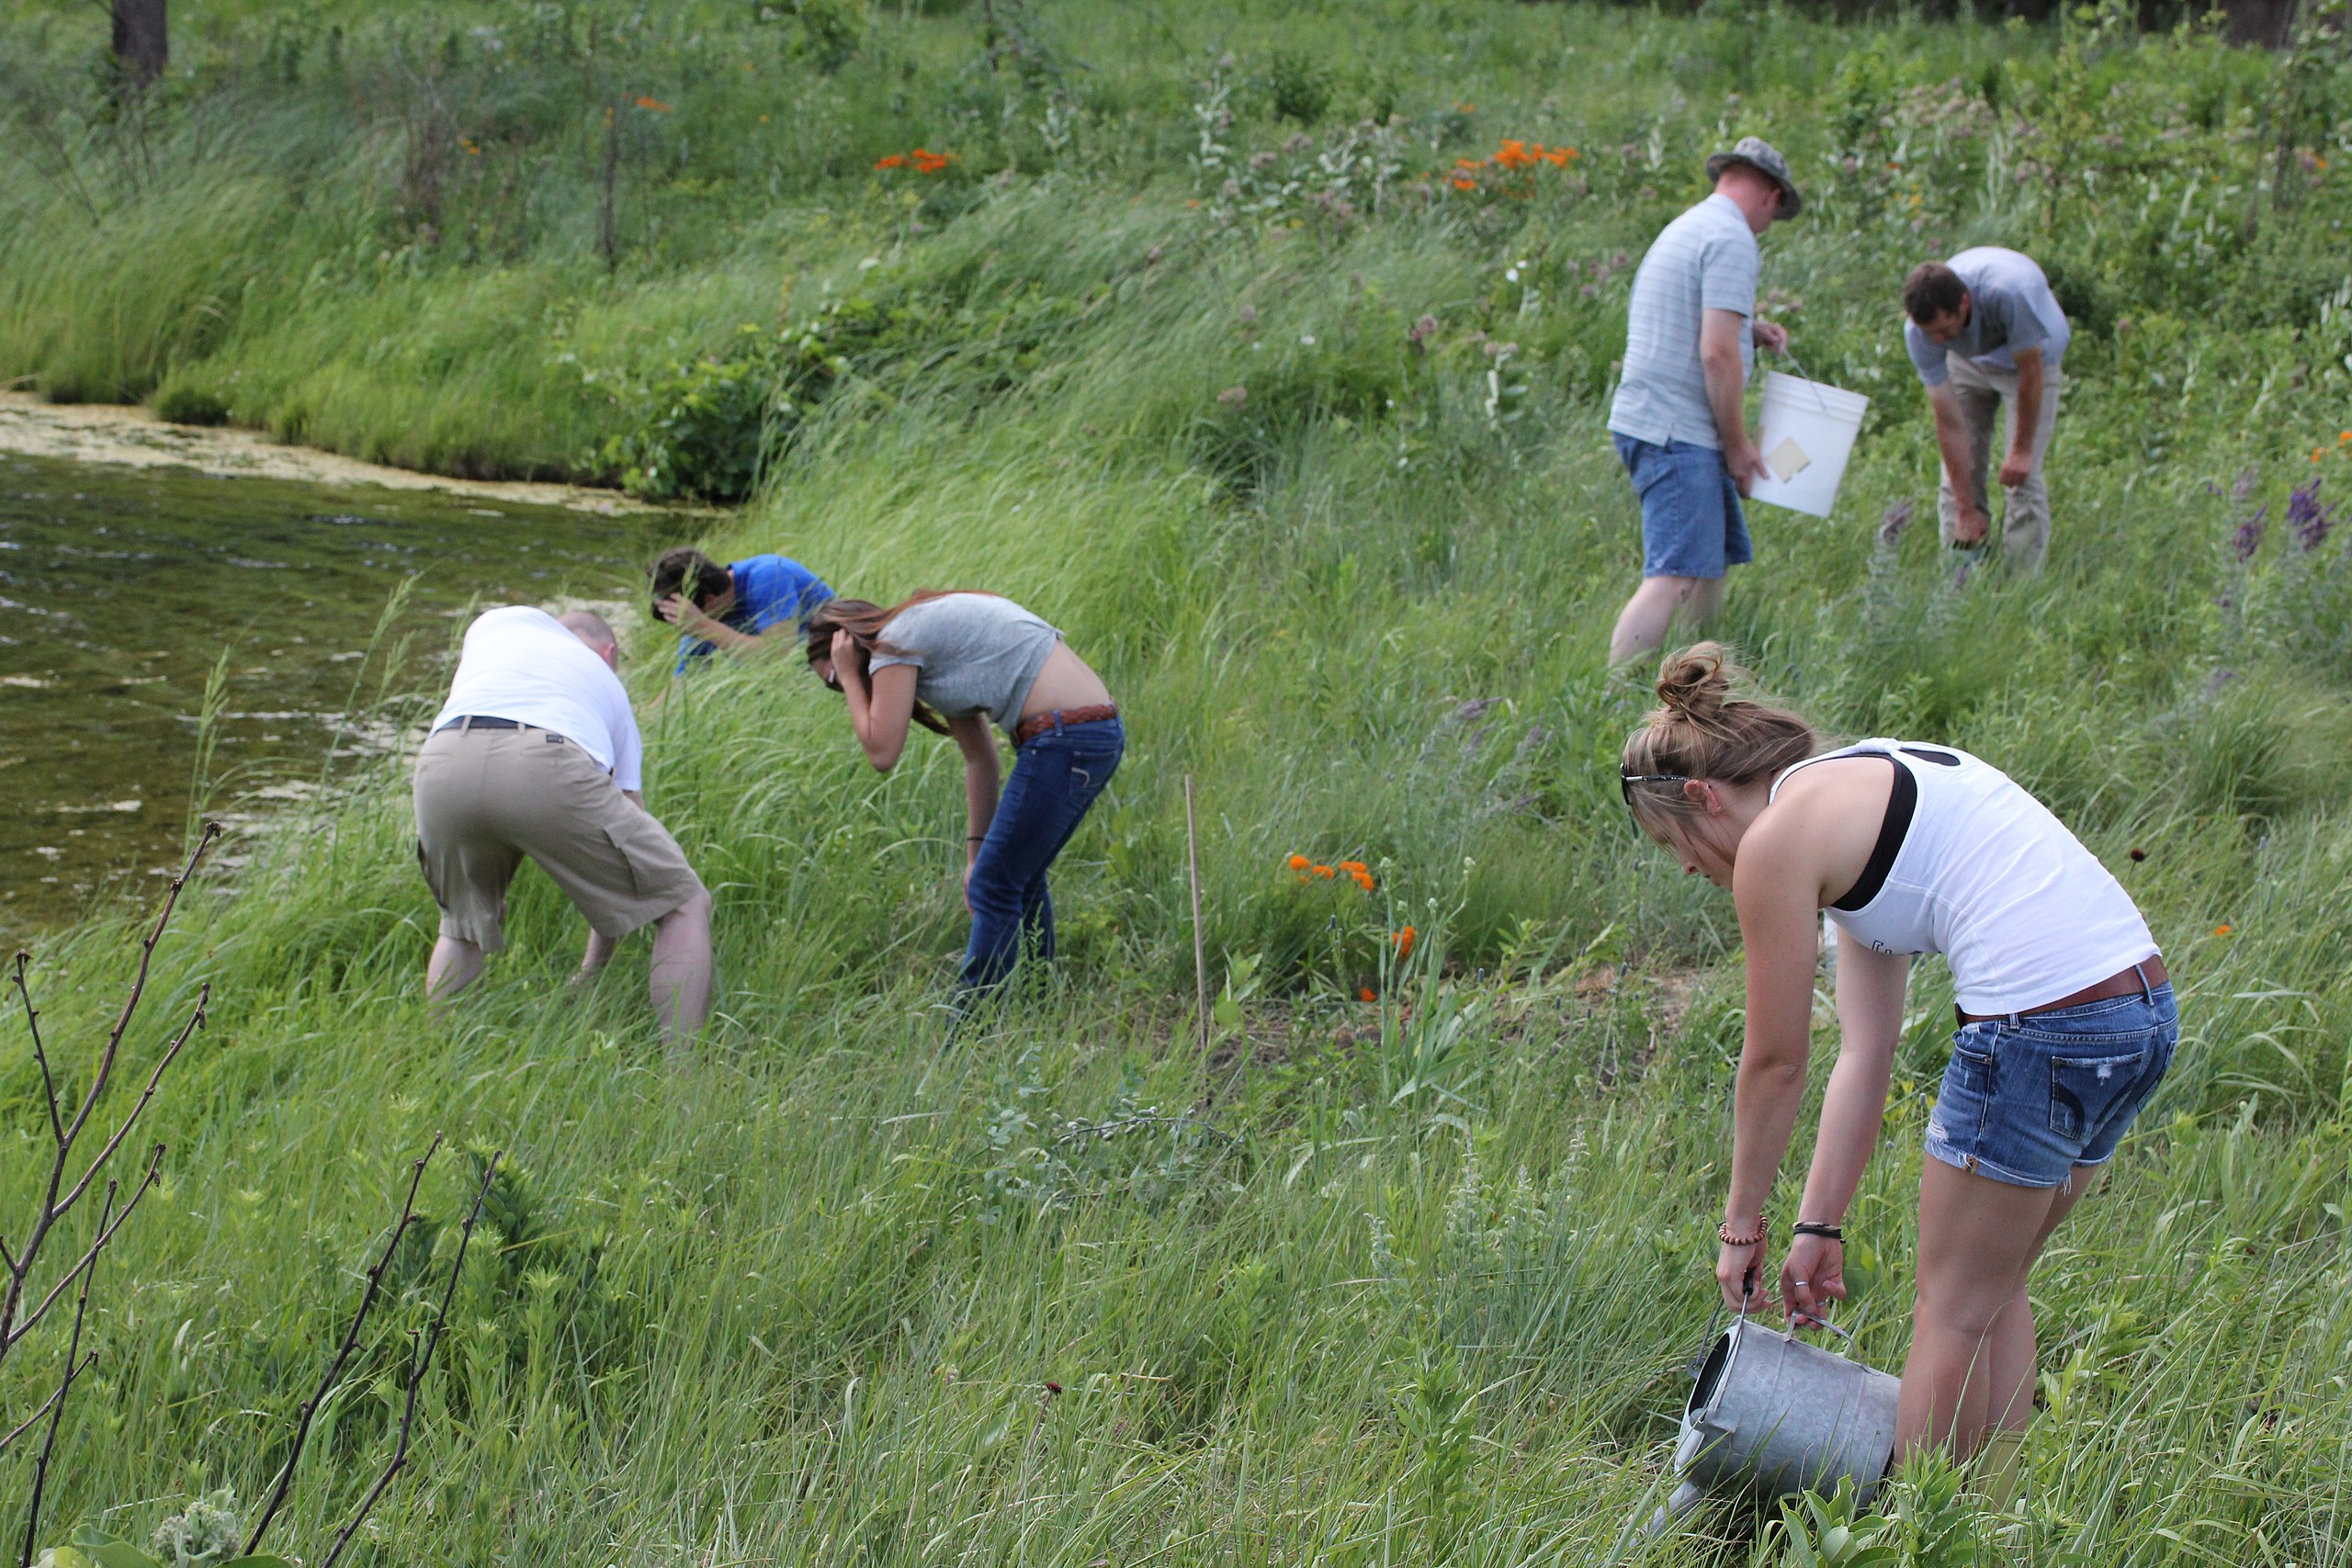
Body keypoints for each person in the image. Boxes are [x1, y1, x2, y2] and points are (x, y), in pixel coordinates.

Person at [1620, 644, 2174, 1489]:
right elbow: (1863, 1049)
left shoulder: (1775, 842)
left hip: (2041, 1021)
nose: (1691, 867)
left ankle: (1916, 1535)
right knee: (1991, 1290)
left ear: (1700, 796)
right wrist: (1817, 1225)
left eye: (1676, 844)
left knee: (1950, 1312)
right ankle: (1982, 1522)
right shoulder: (1847, 791)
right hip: (2138, 1014)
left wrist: (1739, 1227)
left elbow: (1775, 1062)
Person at [413, 606, 714, 1043]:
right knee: (683, 902)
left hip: (440, 760)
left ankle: (437, 1060)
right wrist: (594, 968)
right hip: (545, 758)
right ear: (609, 652)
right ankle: (685, 1078)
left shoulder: (495, 627)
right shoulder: (607, 684)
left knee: (462, 926)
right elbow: (627, 846)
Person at [804, 592, 1123, 995]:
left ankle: (970, 1029)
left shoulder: (895, 641)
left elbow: (882, 752)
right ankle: (1037, 1001)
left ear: (845, 645)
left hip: (1067, 735)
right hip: (1086, 731)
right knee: (1014, 877)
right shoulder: (927, 645)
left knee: (996, 885)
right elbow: (980, 760)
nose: (845, 690)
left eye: (832, 678)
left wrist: (849, 676)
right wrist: (975, 856)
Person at [1605, 136, 1802, 667]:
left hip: (1659, 418)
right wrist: (1739, 448)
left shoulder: (1693, 226)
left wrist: (1750, 332)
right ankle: (1614, 693)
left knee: (1709, 562)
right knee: (1675, 574)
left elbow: (1700, 323)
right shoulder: (1733, 238)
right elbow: (1716, 354)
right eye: (1777, 209)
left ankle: (1704, 689)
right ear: (1770, 194)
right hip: (1676, 429)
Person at [1901, 251, 2071, 570]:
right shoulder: (1920, 334)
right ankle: (1958, 582)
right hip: (1968, 364)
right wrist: (1966, 507)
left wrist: (2020, 451)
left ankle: (2020, 585)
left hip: (2032, 361)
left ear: (1964, 303)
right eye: (1929, 333)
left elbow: (2030, 373)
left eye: (1943, 330)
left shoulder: (2007, 294)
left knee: (2023, 477)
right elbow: (1948, 420)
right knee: (1956, 478)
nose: (1936, 341)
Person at [649, 547, 833, 674]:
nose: (682, 628)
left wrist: (703, 626)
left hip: (836, 669)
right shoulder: (704, 617)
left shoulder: (769, 576)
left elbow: (778, 653)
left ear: (709, 600)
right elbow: (682, 685)